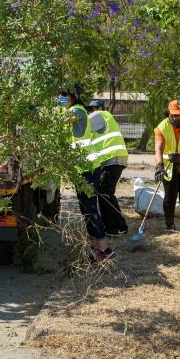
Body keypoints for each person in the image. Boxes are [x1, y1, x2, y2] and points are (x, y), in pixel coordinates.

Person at [59, 85, 114, 262]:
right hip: (81, 169)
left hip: (88, 168)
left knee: (90, 210)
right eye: (60, 95)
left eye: (64, 95)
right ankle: (96, 249)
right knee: (86, 210)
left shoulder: (77, 110)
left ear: (73, 96)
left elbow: (56, 121)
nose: (61, 98)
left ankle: (104, 250)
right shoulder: (75, 111)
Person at [87, 100, 129, 236]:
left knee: (105, 193)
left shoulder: (99, 115)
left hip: (113, 158)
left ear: (98, 108)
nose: (91, 111)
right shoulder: (103, 118)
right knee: (105, 193)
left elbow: (82, 127)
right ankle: (116, 226)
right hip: (112, 159)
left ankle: (117, 227)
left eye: (91, 108)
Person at [153, 100, 180, 232]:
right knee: (170, 195)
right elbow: (158, 149)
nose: (176, 117)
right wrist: (159, 165)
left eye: (179, 115)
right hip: (168, 166)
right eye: (173, 115)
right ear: (169, 113)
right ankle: (170, 225)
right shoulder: (162, 127)